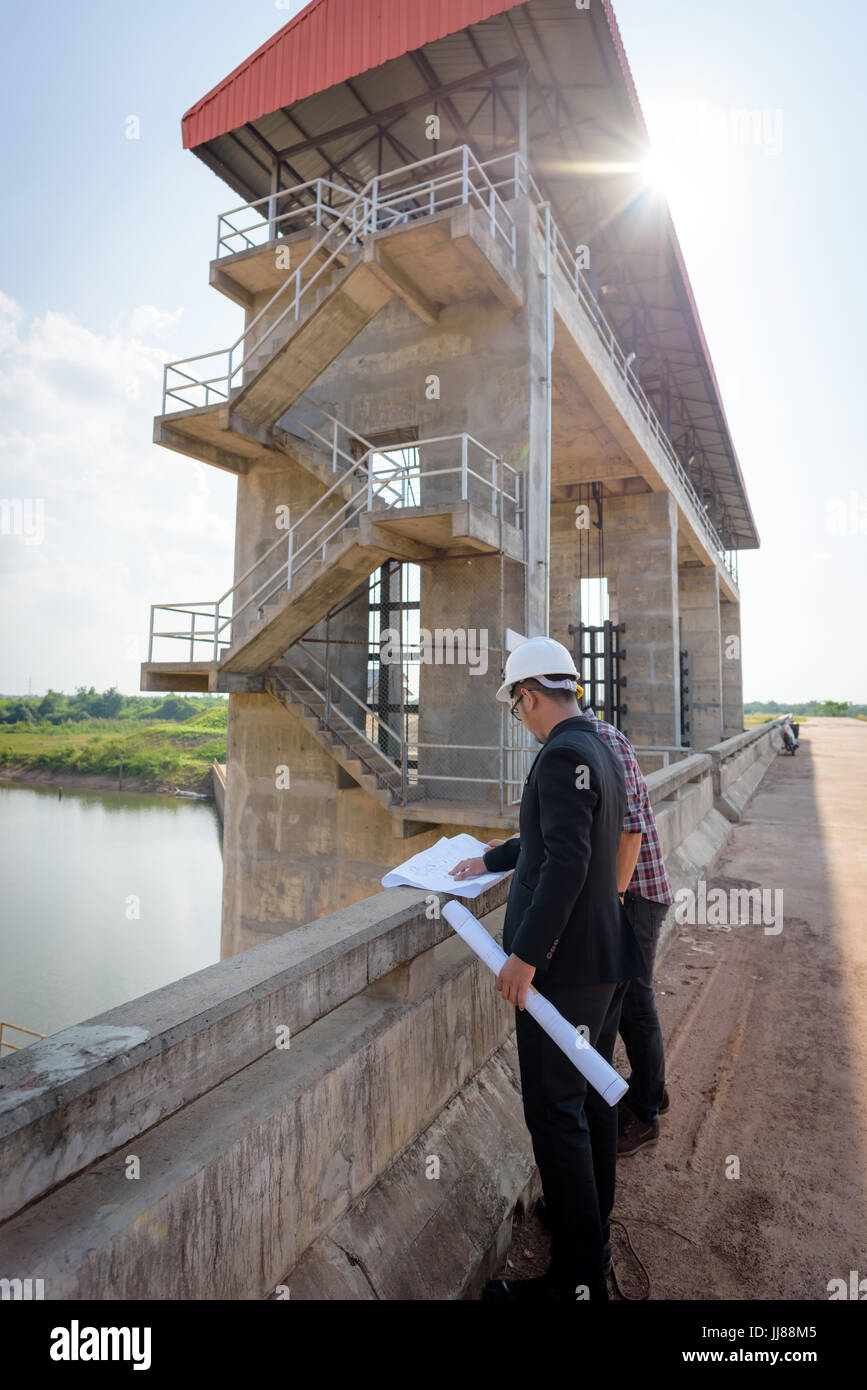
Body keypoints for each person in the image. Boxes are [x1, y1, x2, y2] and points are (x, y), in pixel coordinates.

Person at [449, 636, 645, 1301]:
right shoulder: (596, 746)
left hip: (565, 972)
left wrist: (524, 956)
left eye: (517, 708)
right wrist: (494, 857)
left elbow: (564, 863)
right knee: (587, 1102)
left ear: (527, 696)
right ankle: (588, 1234)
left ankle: (576, 1279)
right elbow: (559, 839)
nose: (521, 720)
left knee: (555, 1113)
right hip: (604, 954)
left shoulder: (560, 757)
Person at [580, 705, 674, 1157]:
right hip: (633, 894)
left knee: (635, 1003)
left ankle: (646, 1112)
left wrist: (613, 902)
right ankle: (650, 1087)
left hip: (635, 895)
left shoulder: (602, 740)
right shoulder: (599, 737)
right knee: (634, 1001)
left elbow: (631, 832)